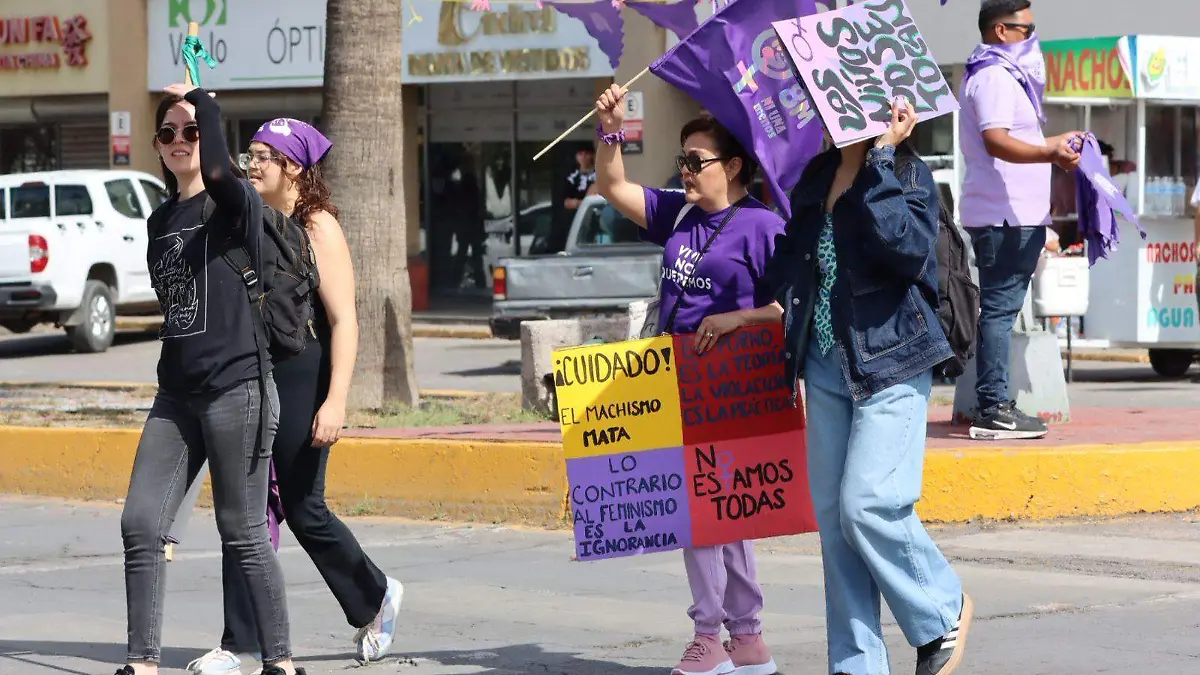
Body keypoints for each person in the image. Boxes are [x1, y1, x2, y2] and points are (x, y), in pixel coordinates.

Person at [184, 119, 404, 675]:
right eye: (249, 154)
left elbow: (344, 320)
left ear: (295, 168)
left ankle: (375, 597)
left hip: (304, 373)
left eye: (264, 156)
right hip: (253, 374)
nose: (251, 165)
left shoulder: (318, 226)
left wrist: (336, 402)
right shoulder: (251, 218)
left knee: (304, 508)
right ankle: (240, 642)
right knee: (247, 508)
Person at [768, 98, 973, 675]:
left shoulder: (907, 172)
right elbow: (794, 260)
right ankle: (856, 665)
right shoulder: (817, 173)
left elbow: (906, 249)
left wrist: (880, 156)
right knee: (835, 525)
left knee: (869, 503)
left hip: (894, 357)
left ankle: (942, 609)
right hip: (825, 360)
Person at [594, 83, 785, 675]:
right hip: (673, 380)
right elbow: (614, 187)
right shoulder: (677, 214)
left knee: (713, 511)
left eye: (696, 162)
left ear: (732, 166)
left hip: (731, 386)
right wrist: (611, 129)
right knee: (713, 511)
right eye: (682, 161)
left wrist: (738, 318)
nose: (685, 172)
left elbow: (789, 308)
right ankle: (746, 640)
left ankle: (713, 637)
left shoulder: (762, 226)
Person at [117, 85, 302, 675]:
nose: (178, 141)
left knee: (243, 531)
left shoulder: (234, 204)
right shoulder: (159, 219)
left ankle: (280, 661)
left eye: (190, 131)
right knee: (141, 522)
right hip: (176, 394)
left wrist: (201, 99)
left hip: (238, 386)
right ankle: (142, 662)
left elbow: (221, 167)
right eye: (167, 133)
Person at [959, 0, 1081, 441]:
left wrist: (1054, 142)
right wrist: (1049, 151)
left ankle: (993, 403)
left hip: (1012, 214)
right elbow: (996, 140)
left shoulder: (998, 74)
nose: (1033, 36)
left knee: (999, 309)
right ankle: (993, 407)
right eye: (1025, 29)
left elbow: (1016, 139)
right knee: (998, 310)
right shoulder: (992, 76)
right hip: (1003, 217)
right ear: (1000, 31)